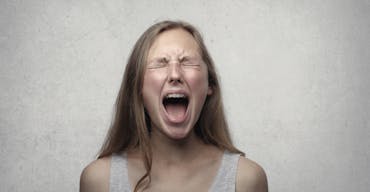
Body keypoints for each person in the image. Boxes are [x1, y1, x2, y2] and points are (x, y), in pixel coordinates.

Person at [80, 20, 268, 192]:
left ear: (209, 85)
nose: (175, 74)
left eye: (187, 61)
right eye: (160, 63)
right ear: (137, 87)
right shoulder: (99, 181)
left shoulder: (246, 180)